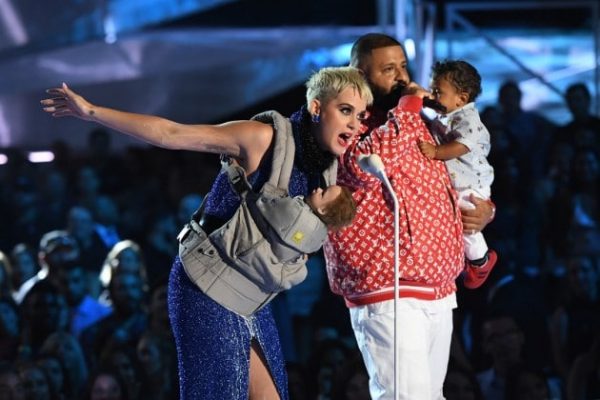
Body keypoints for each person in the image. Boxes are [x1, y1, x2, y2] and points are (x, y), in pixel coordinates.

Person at [41, 66, 373, 399]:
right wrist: (92, 111)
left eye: (360, 116)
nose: (354, 124)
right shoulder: (263, 138)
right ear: (316, 107)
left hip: (252, 298)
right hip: (206, 289)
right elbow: (171, 134)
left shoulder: (326, 171)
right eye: (345, 111)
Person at [324, 33, 494, 400]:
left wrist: (483, 210)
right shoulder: (350, 123)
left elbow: (462, 171)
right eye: (388, 69)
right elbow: (367, 164)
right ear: (360, 74)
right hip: (389, 288)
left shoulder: (417, 119)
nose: (402, 77)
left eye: (403, 66)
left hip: (438, 287)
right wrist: (407, 108)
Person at [418, 59, 497, 287]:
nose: (433, 97)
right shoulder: (450, 113)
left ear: (461, 98)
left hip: (471, 186)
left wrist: (436, 152)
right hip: (461, 182)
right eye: (432, 90)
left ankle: (480, 261)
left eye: (438, 92)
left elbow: (462, 145)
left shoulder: (468, 119)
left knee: (467, 224)